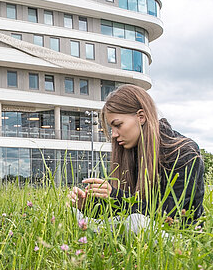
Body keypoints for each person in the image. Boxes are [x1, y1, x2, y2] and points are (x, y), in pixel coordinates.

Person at [69, 84, 204, 230]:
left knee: (135, 221)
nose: (114, 134)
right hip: (139, 228)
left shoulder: (183, 152)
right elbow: (125, 209)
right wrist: (88, 206)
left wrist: (116, 196)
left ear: (141, 117)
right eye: (111, 128)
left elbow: (172, 213)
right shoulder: (131, 150)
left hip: (179, 234)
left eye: (118, 125)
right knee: (78, 216)